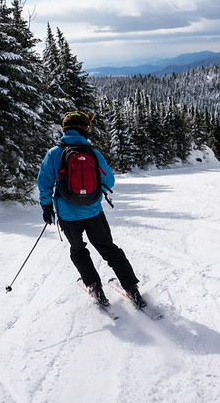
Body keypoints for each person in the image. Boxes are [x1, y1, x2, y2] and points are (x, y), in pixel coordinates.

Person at [37, 110, 146, 308]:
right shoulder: (93, 153)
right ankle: (131, 287)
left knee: (78, 250)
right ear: (85, 129)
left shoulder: (54, 153)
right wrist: (93, 192)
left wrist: (47, 206)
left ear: (65, 129)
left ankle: (95, 287)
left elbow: (44, 183)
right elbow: (109, 181)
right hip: (94, 212)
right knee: (109, 249)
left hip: (68, 215)